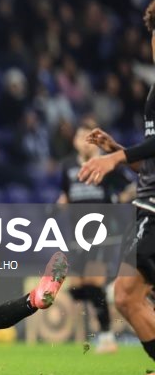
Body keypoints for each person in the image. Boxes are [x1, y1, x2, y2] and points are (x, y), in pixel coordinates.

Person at [77, 0, 155, 375]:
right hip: (149, 202)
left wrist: (116, 159)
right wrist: (120, 150)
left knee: (126, 294)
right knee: (128, 294)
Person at [58, 118, 133, 353]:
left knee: (92, 281)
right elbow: (66, 193)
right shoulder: (69, 166)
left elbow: (131, 185)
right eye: (82, 137)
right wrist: (63, 202)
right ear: (75, 141)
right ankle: (110, 291)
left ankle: (107, 336)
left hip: (102, 232)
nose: (85, 143)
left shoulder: (105, 165)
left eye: (90, 138)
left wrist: (119, 200)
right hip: (77, 235)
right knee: (76, 290)